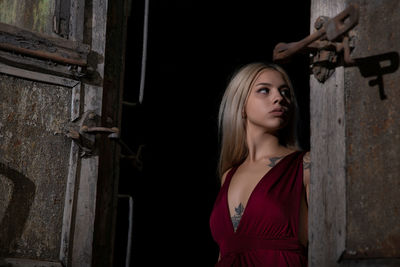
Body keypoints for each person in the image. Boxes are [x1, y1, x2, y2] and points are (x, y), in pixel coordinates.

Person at [209, 62, 310, 266]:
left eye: (285, 92)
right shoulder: (228, 175)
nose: (279, 98)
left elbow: (326, 246)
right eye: (264, 90)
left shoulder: (306, 165)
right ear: (241, 105)